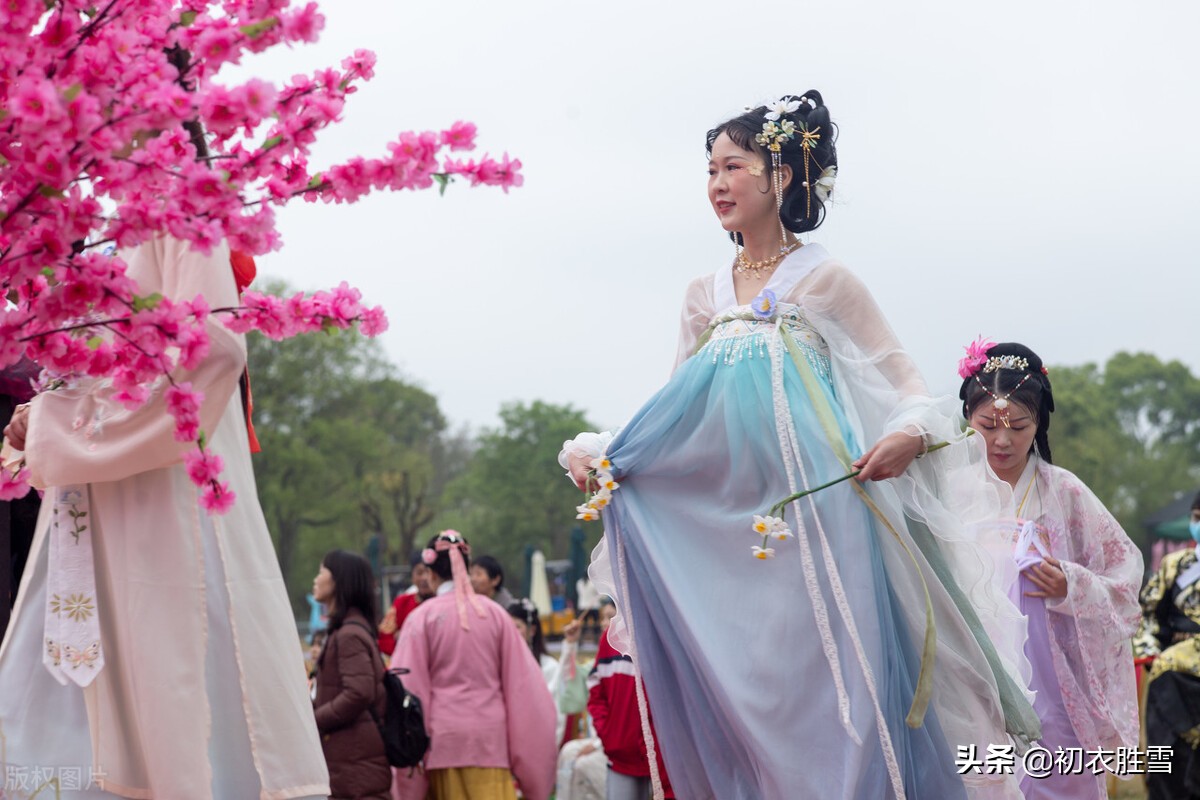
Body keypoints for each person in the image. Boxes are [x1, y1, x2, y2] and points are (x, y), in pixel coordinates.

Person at [559, 92, 1040, 799]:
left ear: (781, 176)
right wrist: (609, 460)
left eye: (733, 166)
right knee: (749, 693)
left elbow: (907, 382)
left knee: (841, 688)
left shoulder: (825, 280)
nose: (717, 183)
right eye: (710, 169)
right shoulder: (703, 294)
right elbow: (671, 412)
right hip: (736, 528)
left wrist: (908, 435)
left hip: (824, 516)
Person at [0, 237, 329, 799]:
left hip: (157, 515)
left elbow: (213, 352)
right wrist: (50, 411)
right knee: (58, 733)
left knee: (172, 715)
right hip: (90, 522)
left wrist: (64, 421)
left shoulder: (174, 215)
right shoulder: (107, 225)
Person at [960, 341, 1142, 799]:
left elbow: (1125, 581)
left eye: (1018, 427)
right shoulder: (947, 490)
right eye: (987, 426)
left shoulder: (1064, 493)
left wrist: (1071, 585)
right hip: (971, 669)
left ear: (1038, 423)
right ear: (967, 419)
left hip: (1052, 680)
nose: (1002, 441)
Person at [392, 531, 556, 800]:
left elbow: (408, 689)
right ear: (465, 567)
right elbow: (524, 688)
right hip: (490, 743)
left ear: (431, 574)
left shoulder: (421, 619)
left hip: (442, 744)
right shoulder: (495, 615)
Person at [311, 550, 391, 800]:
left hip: (355, 764)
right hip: (351, 760)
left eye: (321, 571)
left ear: (338, 582)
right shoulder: (349, 631)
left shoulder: (349, 636)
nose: (316, 579)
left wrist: (314, 720)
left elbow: (358, 692)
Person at [1135, 489, 1200, 799]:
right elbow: (1148, 616)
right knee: (1166, 757)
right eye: (1197, 518)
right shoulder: (1175, 565)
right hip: (1171, 677)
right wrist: (1150, 650)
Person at [378, 550, 435, 657]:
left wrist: (404, 636)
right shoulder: (402, 602)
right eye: (419, 572)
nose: (424, 578)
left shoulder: (443, 604)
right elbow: (385, 639)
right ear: (412, 576)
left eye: (428, 572)